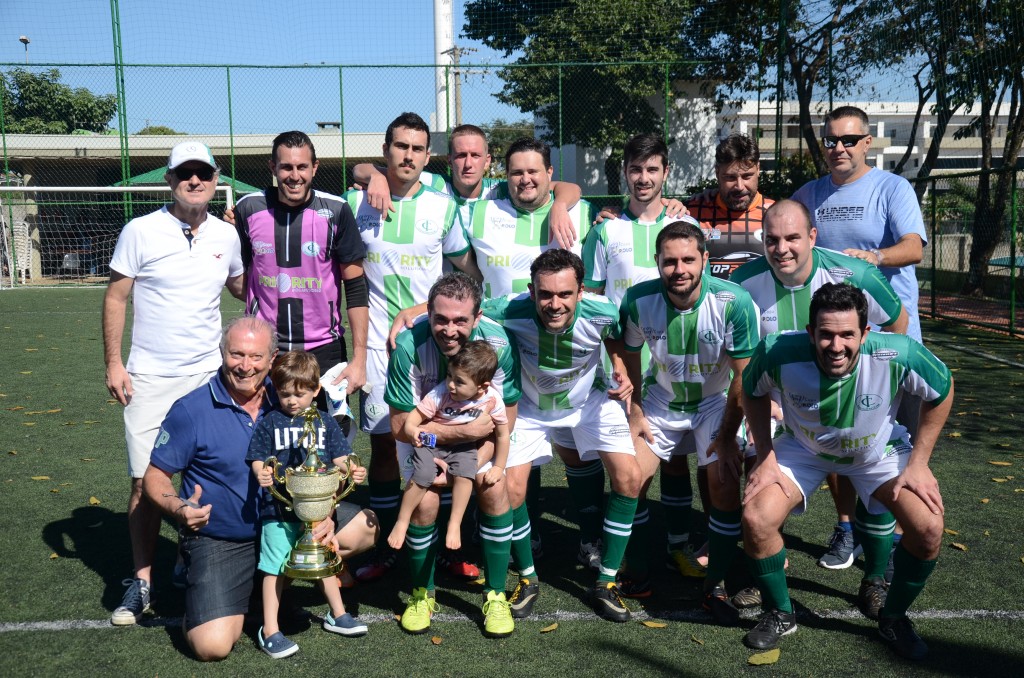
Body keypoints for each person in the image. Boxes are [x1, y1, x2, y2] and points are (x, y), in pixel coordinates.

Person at [142, 318, 377, 661]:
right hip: (224, 537)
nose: (245, 366)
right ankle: (224, 584)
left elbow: (323, 461)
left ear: (272, 358)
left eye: (255, 356)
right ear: (222, 354)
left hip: (289, 519)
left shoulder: (288, 393)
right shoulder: (191, 409)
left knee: (365, 528)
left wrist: (324, 514)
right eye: (236, 354)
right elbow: (154, 476)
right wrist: (179, 508)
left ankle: (272, 586)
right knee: (212, 646)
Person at [741, 284, 953, 660]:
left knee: (929, 528)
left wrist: (919, 463)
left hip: (877, 452)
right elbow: (751, 390)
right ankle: (780, 612)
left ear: (865, 334)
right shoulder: (778, 350)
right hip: (803, 449)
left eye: (846, 335)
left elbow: (942, 388)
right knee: (757, 518)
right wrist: (765, 455)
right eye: (825, 334)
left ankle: (893, 617)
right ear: (810, 332)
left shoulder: (898, 353)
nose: (835, 345)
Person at [103, 141, 244, 626]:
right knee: (145, 482)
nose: (194, 180)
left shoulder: (227, 235)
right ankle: (141, 581)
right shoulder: (139, 231)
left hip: (208, 374)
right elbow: (117, 296)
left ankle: (190, 559)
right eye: (184, 173)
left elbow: (243, 287)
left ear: (214, 177)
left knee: (203, 476)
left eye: (202, 172)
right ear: (169, 179)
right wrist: (114, 364)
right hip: (148, 376)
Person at [343, 112, 483, 583]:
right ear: (386, 151)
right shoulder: (353, 201)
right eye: (399, 146)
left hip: (434, 346)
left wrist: (434, 311)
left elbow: (467, 276)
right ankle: (386, 547)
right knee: (385, 445)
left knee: (441, 445)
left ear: (428, 156)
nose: (408, 155)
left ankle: (445, 544)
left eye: (417, 148)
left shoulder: (443, 207)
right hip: (380, 349)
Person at [793, 105, 928, 570]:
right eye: (831, 140)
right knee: (841, 439)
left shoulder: (893, 188)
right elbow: (778, 231)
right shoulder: (809, 194)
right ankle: (847, 527)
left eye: (849, 140)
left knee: (888, 446)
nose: (839, 148)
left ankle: (884, 542)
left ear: (867, 142)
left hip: (888, 340)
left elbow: (915, 247)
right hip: (834, 346)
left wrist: (874, 257)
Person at [481, 249, 640, 623]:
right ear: (531, 291)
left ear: (581, 291)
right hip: (530, 408)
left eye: (565, 294)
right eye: (545, 294)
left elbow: (617, 336)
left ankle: (606, 581)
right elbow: (463, 307)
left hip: (588, 402)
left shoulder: (605, 310)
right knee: (511, 489)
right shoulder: (507, 308)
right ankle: (527, 577)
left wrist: (618, 363)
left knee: (630, 478)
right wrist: (410, 313)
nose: (555, 304)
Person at [620, 220, 759, 624]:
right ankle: (639, 569)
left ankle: (715, 583)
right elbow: (629, 361)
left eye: (687, 260)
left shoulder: (733, 302)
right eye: (669, 261)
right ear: (657, 262)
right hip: (661, 400)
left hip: (715, 402)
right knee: (630, 476)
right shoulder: (637, 300)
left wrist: (730, 437)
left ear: (705, 260)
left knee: (722, 481)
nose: (678, 269)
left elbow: (742, 378)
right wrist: (636, 411)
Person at [582, 133, 705, 584]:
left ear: (666, 173)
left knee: (673, 461)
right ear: (625, 173)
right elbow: (590, 298)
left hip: (674, 366)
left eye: (653, 169)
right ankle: (625, 551)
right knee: (626, 462)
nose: (644, 178)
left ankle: (677, 545)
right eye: (636, 169)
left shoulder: (684, 224)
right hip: (620, 365)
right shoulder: (605, 229)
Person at [384, 272, 520, 637]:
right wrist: (443, 446)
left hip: (480, 442)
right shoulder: (409, 346)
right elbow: (402, 427)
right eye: (440, 319)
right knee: (425, 500)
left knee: (493, 488)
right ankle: (421, 593)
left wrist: (476, 461)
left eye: (460, 320)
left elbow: (504, 421)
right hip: (423, 439)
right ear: (428, 313)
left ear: (476, 318)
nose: (449, 329)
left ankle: (495, 595)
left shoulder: (498, 345)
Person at [233, 130, 369, 421]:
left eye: (302, 167)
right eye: (286, 167)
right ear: (273, 168)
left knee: (330, 448)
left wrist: (359, 359)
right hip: (265, 352)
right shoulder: (248, 209)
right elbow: (237, 281)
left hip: (324, 350)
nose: (294, 176)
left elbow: (356, 287)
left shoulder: (336, 211)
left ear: (314, 168)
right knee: (264, 446)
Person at [246, 351, 370, 659]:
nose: (291, 401)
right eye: (284, 393)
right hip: (276, 510)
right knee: (274, 568)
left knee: (324, 558)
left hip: (316, 510)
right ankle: (270, 629)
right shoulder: (269, 421)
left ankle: (337, 613)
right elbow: (258, 456)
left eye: (299, 394)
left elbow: (341, 458)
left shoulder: (325, 422)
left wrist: (353, 468)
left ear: (316, 390)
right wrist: (261, 472)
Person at [354, 123, 583, 248]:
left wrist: (559, 206)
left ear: (487, 160)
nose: (468, 164)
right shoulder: (433, 184)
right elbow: (360, 169)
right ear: (449, 160)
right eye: (461, 155)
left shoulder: (501, 190)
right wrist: (377, 177)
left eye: (476, 155)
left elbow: (570, 188)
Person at [390, 340, 510, 552]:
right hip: (432, 443)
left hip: (463, 446)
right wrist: (412, 431)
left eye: (459, 381)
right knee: (423, 475)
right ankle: (402, 520)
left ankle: (454, 523)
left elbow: (502, 435)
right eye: (449, 376)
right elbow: (414, 418)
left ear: (482, 386)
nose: (451, 384)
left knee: (466, 474)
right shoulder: (440, 393)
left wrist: (499, 467)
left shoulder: (493, 401)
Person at [686, 134, 775, 279]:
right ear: (717, 173)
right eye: (730, 177)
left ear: (758, 169)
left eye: (747, 176)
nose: (739, 186)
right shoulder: (692, 213)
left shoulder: (775, 214)